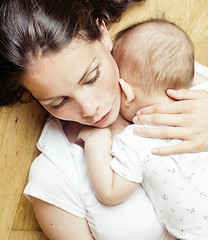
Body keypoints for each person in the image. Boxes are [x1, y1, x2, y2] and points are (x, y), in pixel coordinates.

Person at [0, 0, 208, 239]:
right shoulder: (55, 175)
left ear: (103, 35)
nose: (89, 109)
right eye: (58, 102)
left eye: (91, 78)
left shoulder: (159, 66)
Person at [79, 19, 208, 239]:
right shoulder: (202, 97)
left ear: (127, 93)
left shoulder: (137, 138)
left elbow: (110, 193)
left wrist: (95, 141)